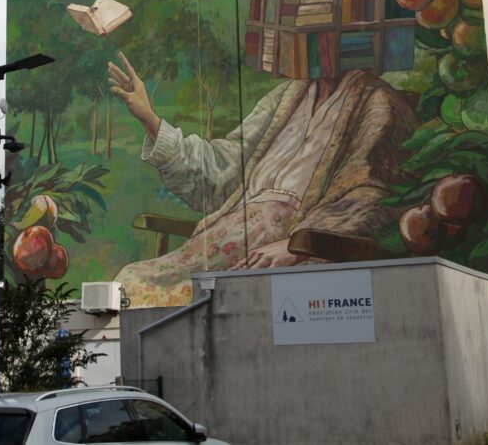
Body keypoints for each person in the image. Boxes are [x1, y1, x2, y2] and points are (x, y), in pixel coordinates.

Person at [107, 51, 417, 308]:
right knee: (130, 283)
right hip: (228, 240)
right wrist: (149, 117)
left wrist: (297, 246)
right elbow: (222, 168)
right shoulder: (287, 97)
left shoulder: (377, 104)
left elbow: (372, 196)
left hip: (280, 256)